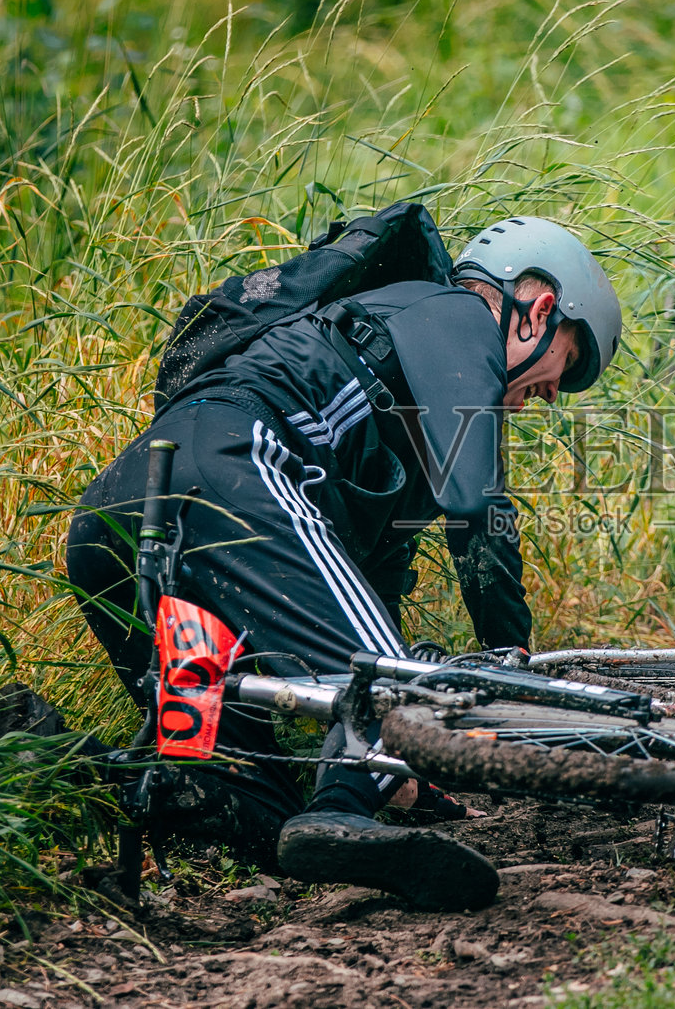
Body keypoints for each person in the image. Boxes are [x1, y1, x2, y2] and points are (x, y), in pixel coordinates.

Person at [65, 216, 621, 911]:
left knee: (242, 784)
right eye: (563, 366)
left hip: (124, 510)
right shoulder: (453, 314)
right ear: (538, 311)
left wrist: (394, 759)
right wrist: (507, 654)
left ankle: (61, 764)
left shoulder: (401, 384)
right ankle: (345, 808)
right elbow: (479, 510)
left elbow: (366, 596)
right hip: (236, 467)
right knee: (401, 681)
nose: (547, 396)